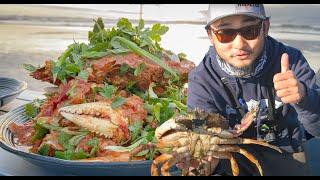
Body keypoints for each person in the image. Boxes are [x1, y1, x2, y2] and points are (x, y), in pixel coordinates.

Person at [187, 4, 320, 176]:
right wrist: (202, 159)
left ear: (265, 27)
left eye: (250, 30)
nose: (239, 44)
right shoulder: (202, 80)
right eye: (225, 33)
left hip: (287, 152)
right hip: (231, 157)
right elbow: (200, 130)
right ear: (211, 36)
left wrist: (304, 97)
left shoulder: (292, 62)